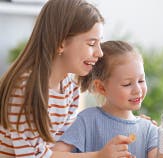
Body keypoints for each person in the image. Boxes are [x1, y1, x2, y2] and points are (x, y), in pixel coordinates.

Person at [0, 0, 128, 157]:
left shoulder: (70, 89)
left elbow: (61, 149)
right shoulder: (26, 88)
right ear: (61, 43)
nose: (99, 53)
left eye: (99, 43)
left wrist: (129, 123)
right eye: (91, 43)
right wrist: (97, 156)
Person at [51, 40, 163, 158]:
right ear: (101, 88)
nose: (137, 90)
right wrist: (98, 155)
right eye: (127, 84)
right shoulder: (86, 121)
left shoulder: (148, 129)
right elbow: (52, 155)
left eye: (141, 81)